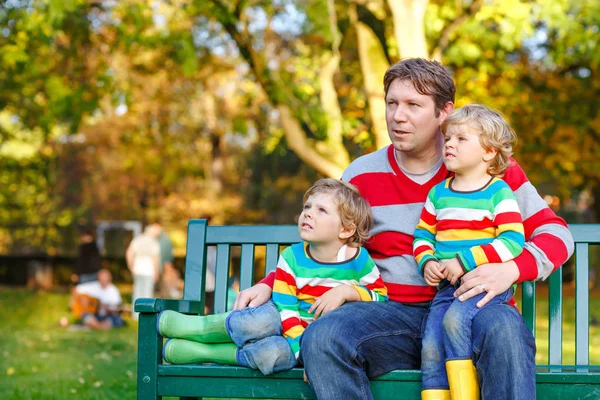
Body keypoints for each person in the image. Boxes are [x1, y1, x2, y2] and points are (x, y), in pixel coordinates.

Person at [234, 58, 574, 399]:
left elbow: (556, 234)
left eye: (414, 105)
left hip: (472, 309)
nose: (398, 116)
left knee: (505, 328)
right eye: (392, 103)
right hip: (390, 318)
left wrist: (511, 270)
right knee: (323, 336)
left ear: (444, 112)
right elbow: (326, 242)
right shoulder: (361, 174)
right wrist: (269, 283)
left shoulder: (486, 166)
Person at [155, 179, 388, 375]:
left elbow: (380, 298)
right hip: (286, 323)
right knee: (259, 321)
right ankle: (200, 327)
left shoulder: (359, 260)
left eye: (321, 210)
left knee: (271, 356)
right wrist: (305, 352)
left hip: (315, 342)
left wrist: (347, 291)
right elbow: (286, 310)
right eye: (307, 207)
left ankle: (203, 353)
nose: (307, 214)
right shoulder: (291, 257)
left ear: (345, 230)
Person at [413, 104, 525, 399]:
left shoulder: (497, 192)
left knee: (454, 321)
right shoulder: (438, 194)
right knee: (431, 345)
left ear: (488, 151)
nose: (449, 143)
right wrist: (426, 261)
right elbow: (423, 234)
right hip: (446, 289)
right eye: (448, 138)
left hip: (484, 286)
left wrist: (465, 261)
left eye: (461, 139)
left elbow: (513, 240)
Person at [126, 225, 160, 320]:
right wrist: (156, 271)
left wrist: (131, 265)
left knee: (137, 291)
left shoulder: (138, 239)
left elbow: (129, 252)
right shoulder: (154, 242)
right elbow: (155, 258)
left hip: (137, 268)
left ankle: (135, 314)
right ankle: (146, 313)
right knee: (147, 293)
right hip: (149, 269)